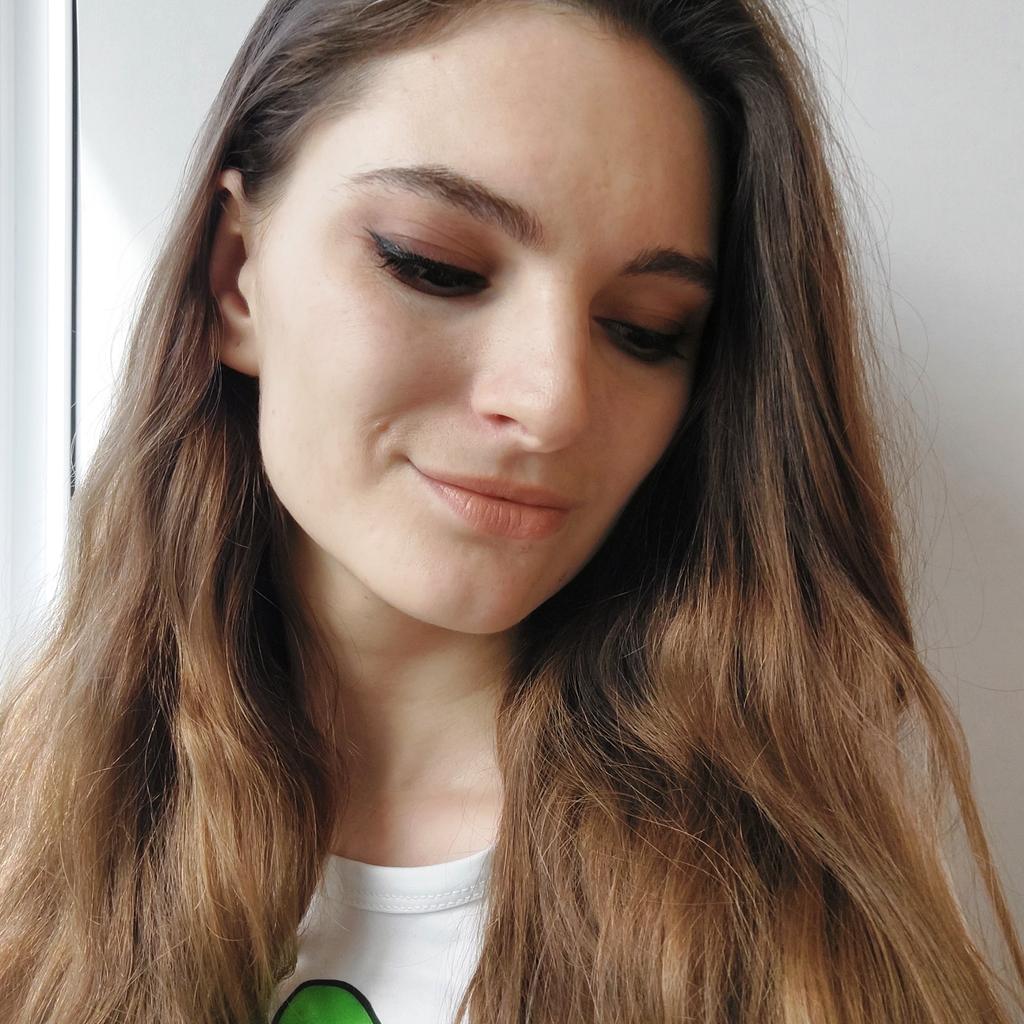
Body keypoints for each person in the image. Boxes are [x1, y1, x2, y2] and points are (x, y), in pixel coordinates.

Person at [0, 0, 1021, 1022]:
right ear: (236, 278)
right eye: (433, 267)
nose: (552, 402)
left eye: (644, 330)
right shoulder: (26, 841)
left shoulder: (787, 934)